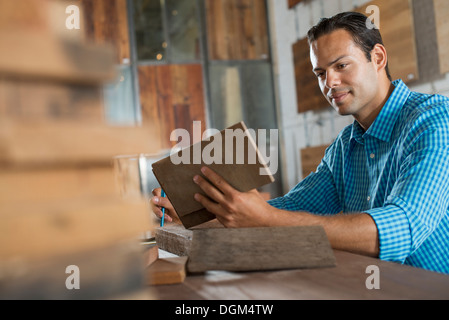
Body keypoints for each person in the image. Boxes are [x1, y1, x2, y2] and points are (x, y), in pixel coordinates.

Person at [151, 12, 449, 274]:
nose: (329, 83)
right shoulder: (344, 147)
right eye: (320, 73)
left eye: (341, 66)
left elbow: (403, 228)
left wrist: (265, 217)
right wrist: (204, 214)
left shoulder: (434, 120)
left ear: (378, 58)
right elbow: (286, 212)